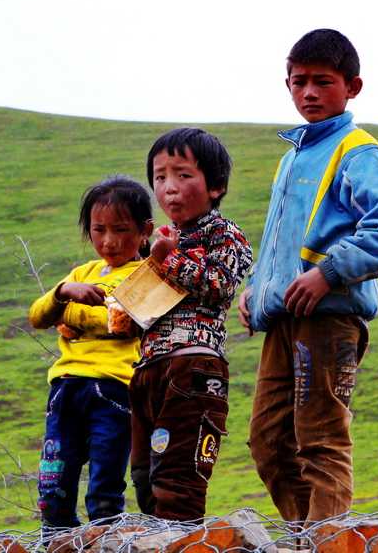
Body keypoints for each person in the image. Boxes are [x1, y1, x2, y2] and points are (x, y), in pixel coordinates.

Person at [238, 28, 378, 522]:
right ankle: (307, 536)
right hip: (282, 318)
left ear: (352, 87)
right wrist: (257, 286)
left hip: (328, 315)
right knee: (268, 441)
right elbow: (281, 237)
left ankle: (325, 542)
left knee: (320, 440)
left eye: (323, 81)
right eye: (298, 82)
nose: (309, 93)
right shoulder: (292, 156)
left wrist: (328, 273)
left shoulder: (357, 151)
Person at [129, 127, 253, 521]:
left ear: (214, 185)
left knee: (178, 479)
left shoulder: (224, 233)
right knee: (144, 477)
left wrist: (169, 259)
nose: (169, 188)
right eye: (160, 177)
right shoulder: (161, 239)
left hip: (194, 367)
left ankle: (181, 544)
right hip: (148, 370)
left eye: (183, 175)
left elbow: (219, 286)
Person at [28, 175, 154, 530]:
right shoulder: (81, 274)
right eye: (99, 230)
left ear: (145, 230)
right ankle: (58, 540)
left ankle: (106, 541)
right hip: (65, 388)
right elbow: (38, 315)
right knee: (53, 487)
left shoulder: (147, 274)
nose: (109, 241)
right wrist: (64, 290)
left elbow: (121, 323)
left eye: (121, 229)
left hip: (113, 390)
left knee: (104, 488)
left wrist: (66, 312)